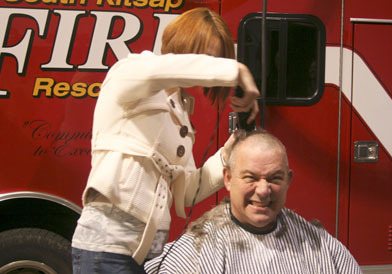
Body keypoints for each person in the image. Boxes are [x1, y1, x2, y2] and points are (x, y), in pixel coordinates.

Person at [71, 7, 260, 274]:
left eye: (215, 58)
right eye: (204, 56)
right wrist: (235, 69)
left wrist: (231, 150)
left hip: (149, 254)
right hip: (108, 249)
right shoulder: (130, 72)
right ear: (180, 43)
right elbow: (161, 69)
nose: (208, 66)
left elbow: (189, 189)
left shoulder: (181, 112)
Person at [145, 130, 363, 274]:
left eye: (274, 178)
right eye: (250, 178)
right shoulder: (197, 252)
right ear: (228, 179)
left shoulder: (320, 246)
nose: (263, 190)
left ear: (289, 180)